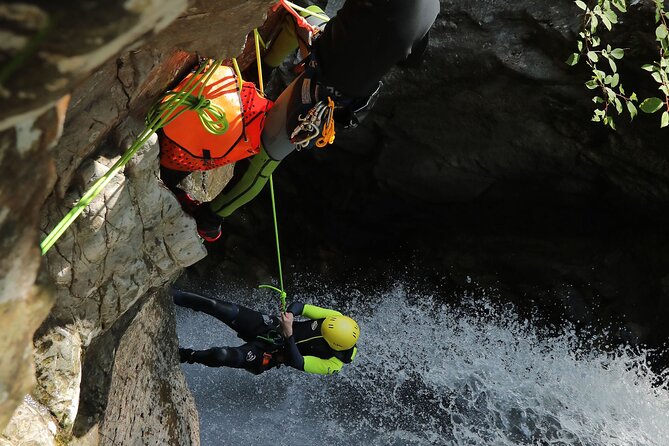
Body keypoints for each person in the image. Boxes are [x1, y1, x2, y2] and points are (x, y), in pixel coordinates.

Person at [159, 0, 441, 241]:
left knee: (264, 160)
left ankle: (211, 218)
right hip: (337, 70)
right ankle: (262, 74)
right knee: (304, 11)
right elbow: (412, 60)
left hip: (323, 94)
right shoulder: (431, 6)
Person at [173, 289, 360, 375]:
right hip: (271, 327)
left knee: (221, 355)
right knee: (216, 306)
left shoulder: (333, 364)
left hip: (269, 354)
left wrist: (289, 334)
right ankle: (171, 293)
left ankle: (186, 355)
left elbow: (298, 362)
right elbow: (300, 307)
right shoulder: (335, 317)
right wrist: (290, 315)